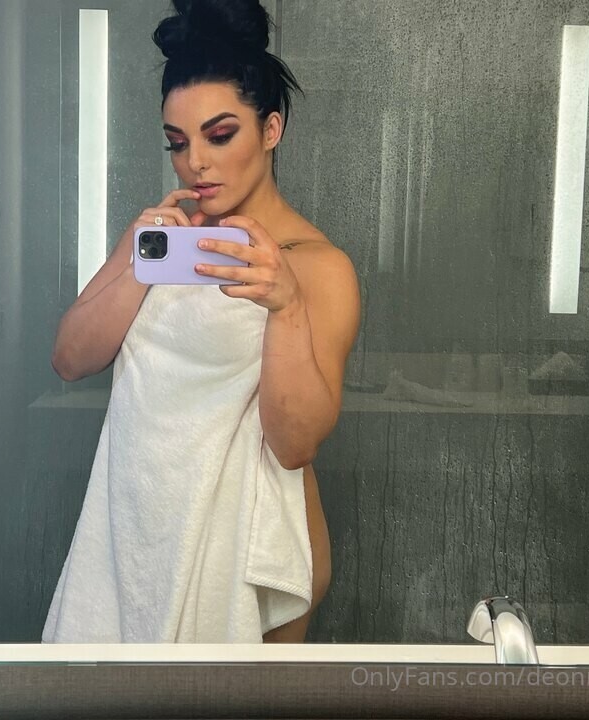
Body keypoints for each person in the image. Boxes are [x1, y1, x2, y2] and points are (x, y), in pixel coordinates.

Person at [41, 0, 360, 643]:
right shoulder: (159, 242)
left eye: (220, 135)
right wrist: (140, 262)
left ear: (271, 130)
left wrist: (287, 305)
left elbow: (294, 445)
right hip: (138, 535)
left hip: (250, 553)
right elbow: (70, 358)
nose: (196, 163)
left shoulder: (314, 266)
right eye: (178, 143)